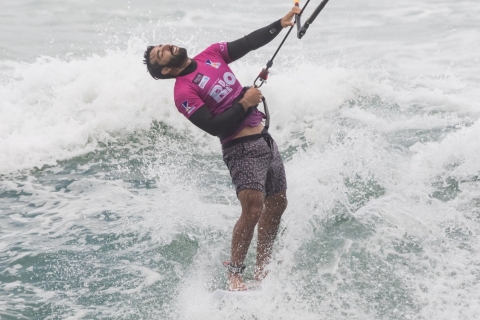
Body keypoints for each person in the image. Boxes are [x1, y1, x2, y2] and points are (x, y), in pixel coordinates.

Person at [143, 6, 301, 291]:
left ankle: (263, 270)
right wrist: (246, 101)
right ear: (165, 69)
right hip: (240, 148)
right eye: (159, 54)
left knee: (278, 203)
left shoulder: (211, 54)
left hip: (264, 139)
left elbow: (249, 42)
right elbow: (214, 125)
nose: (165, 46)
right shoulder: (183, 93)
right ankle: (235, 275)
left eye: (162, 45)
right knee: (253, 209)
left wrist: (280, 23)